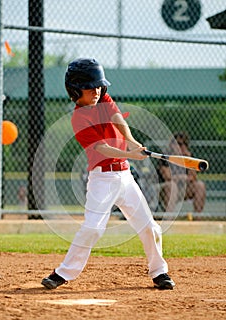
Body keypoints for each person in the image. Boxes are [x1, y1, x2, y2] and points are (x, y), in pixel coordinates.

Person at [41, 58, 175, 290]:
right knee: (93, 228)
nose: (97, 90)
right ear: (75, 90)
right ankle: (62, 273)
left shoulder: (103, 99)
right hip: (102, 179)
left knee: (149, 226)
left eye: (99, 85)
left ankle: (159, 272)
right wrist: (131, 154)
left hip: (125, 177)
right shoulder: (78, 118)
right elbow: (101, 148)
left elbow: (117, 118)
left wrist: (132, 142)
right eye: (90, 86)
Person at [157, 132, 206, 217]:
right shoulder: (166, 157)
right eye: (179, 144)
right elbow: (167, 177)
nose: (182, 146)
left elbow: (193, 177)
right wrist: (184, 177)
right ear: (172, 145)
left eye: (185, 144)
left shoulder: (188, 158)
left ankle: (197, 218)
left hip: (184, 188)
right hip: (166, 189)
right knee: (172, 186)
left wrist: (189, 158)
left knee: (200, 185)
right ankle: (169, 218)